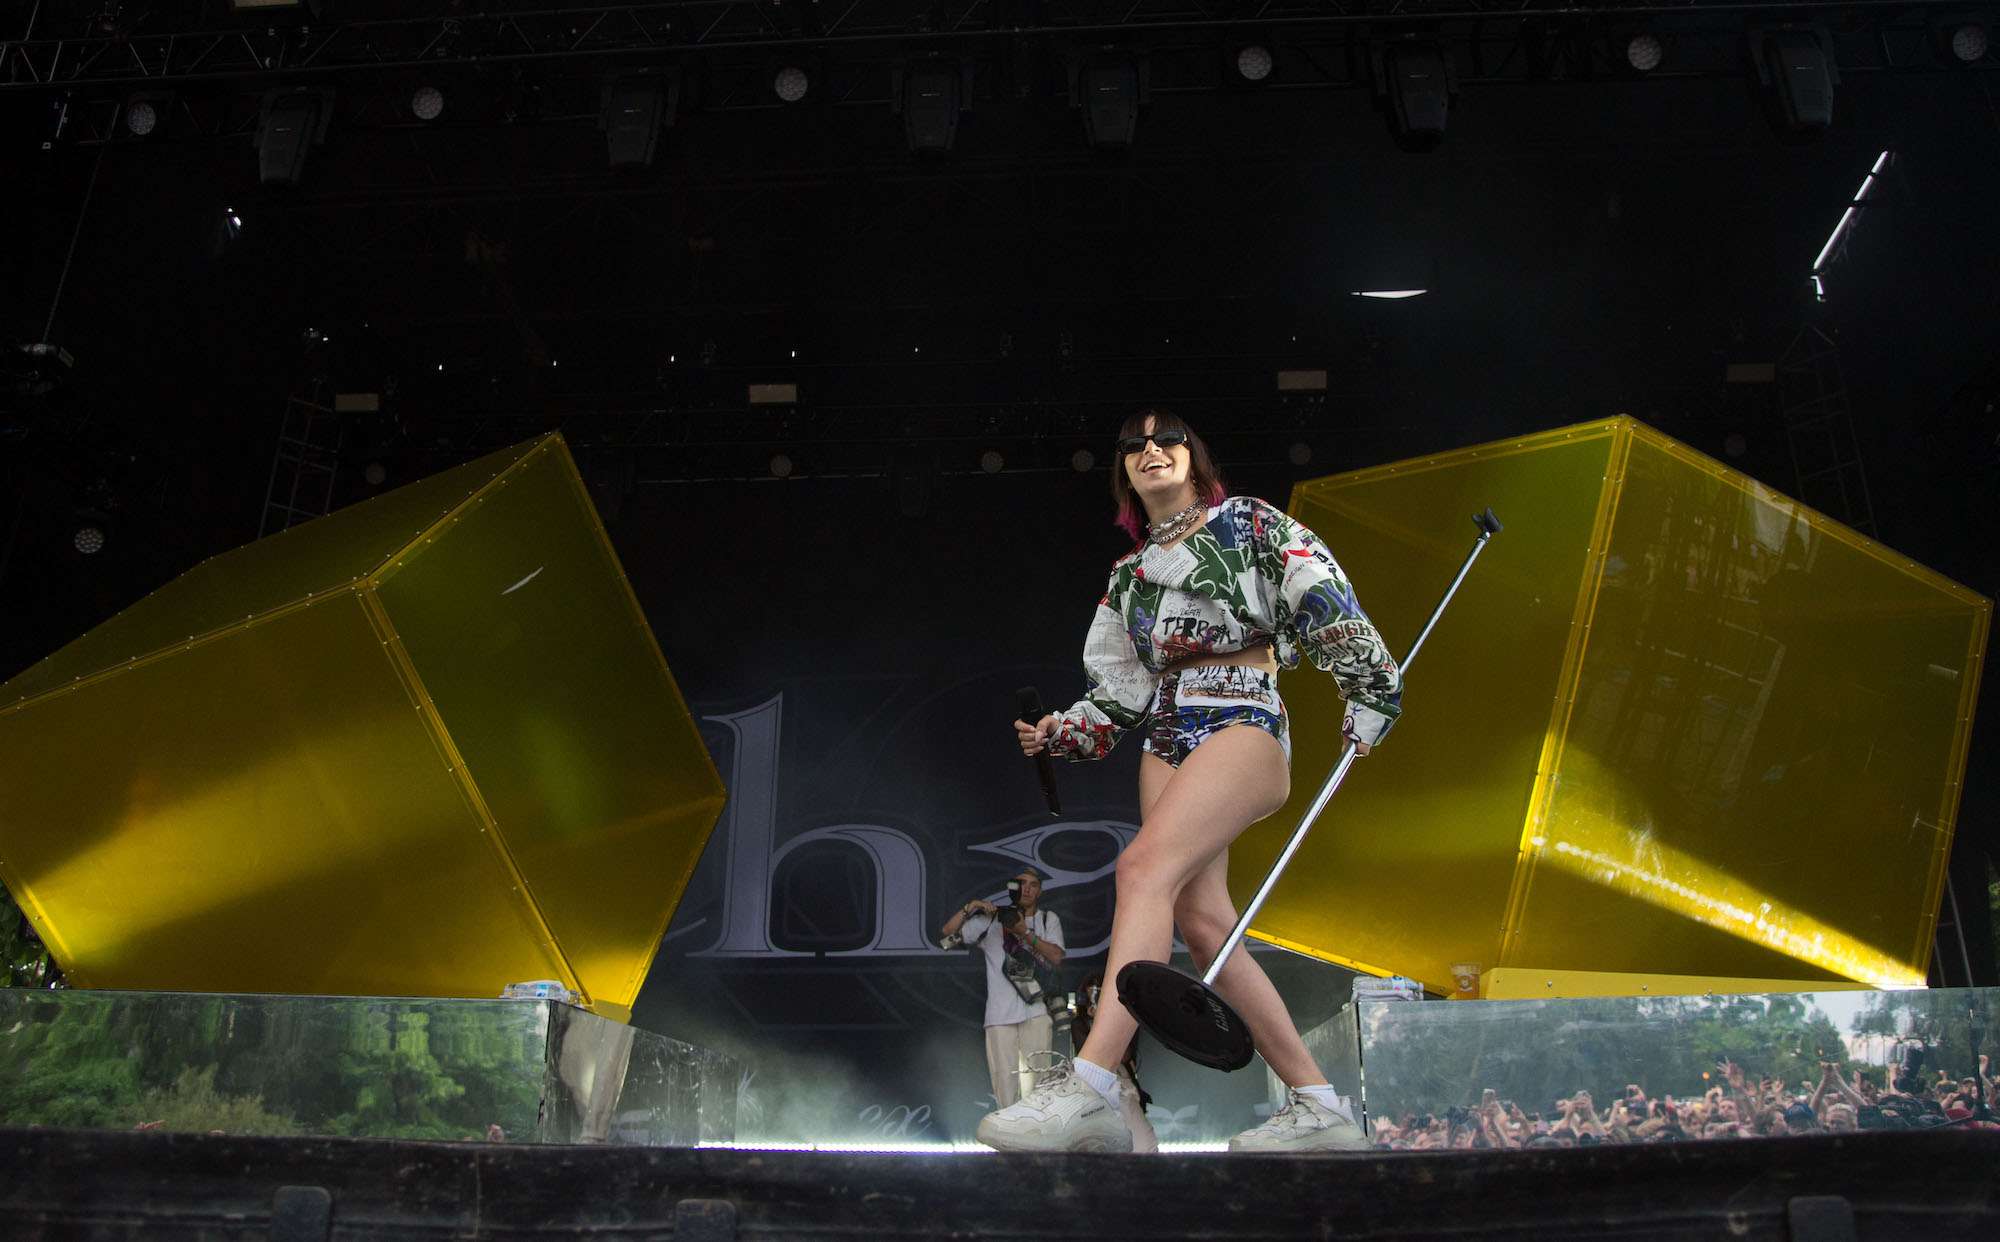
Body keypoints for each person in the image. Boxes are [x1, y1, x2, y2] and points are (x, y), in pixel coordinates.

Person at [977, 409, 1403, 1154]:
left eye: (1166, 437)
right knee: (1204, 926)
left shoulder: (1248, 524)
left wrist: (1370, 690)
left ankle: (1091, 1088)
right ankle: (1320, 1106)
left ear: (1194, 456)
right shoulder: (1128, 578)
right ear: (1124, 471)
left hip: (1243, 717)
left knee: (1141, 868)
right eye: (1132, 444)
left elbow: (1323, 598)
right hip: (1166, 735)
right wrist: (1058, 730)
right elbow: (1118, 697)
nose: (1150, 449)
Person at [938, 868, 1068, 1109]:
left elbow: (1057, 957)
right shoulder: (991, 919)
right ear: (1012, 888)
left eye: (1033, 885)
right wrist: (971, 906)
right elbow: (947, 933)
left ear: (1039, 891)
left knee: (1039, 1088)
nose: (1027, 889)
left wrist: (1024, 932)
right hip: (999, 1015)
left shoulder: (1047, 919)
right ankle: (1008, 1132)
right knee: (1004, 1087)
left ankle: (1035, 1131)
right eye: (1022, 884)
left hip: (1036, 1011)